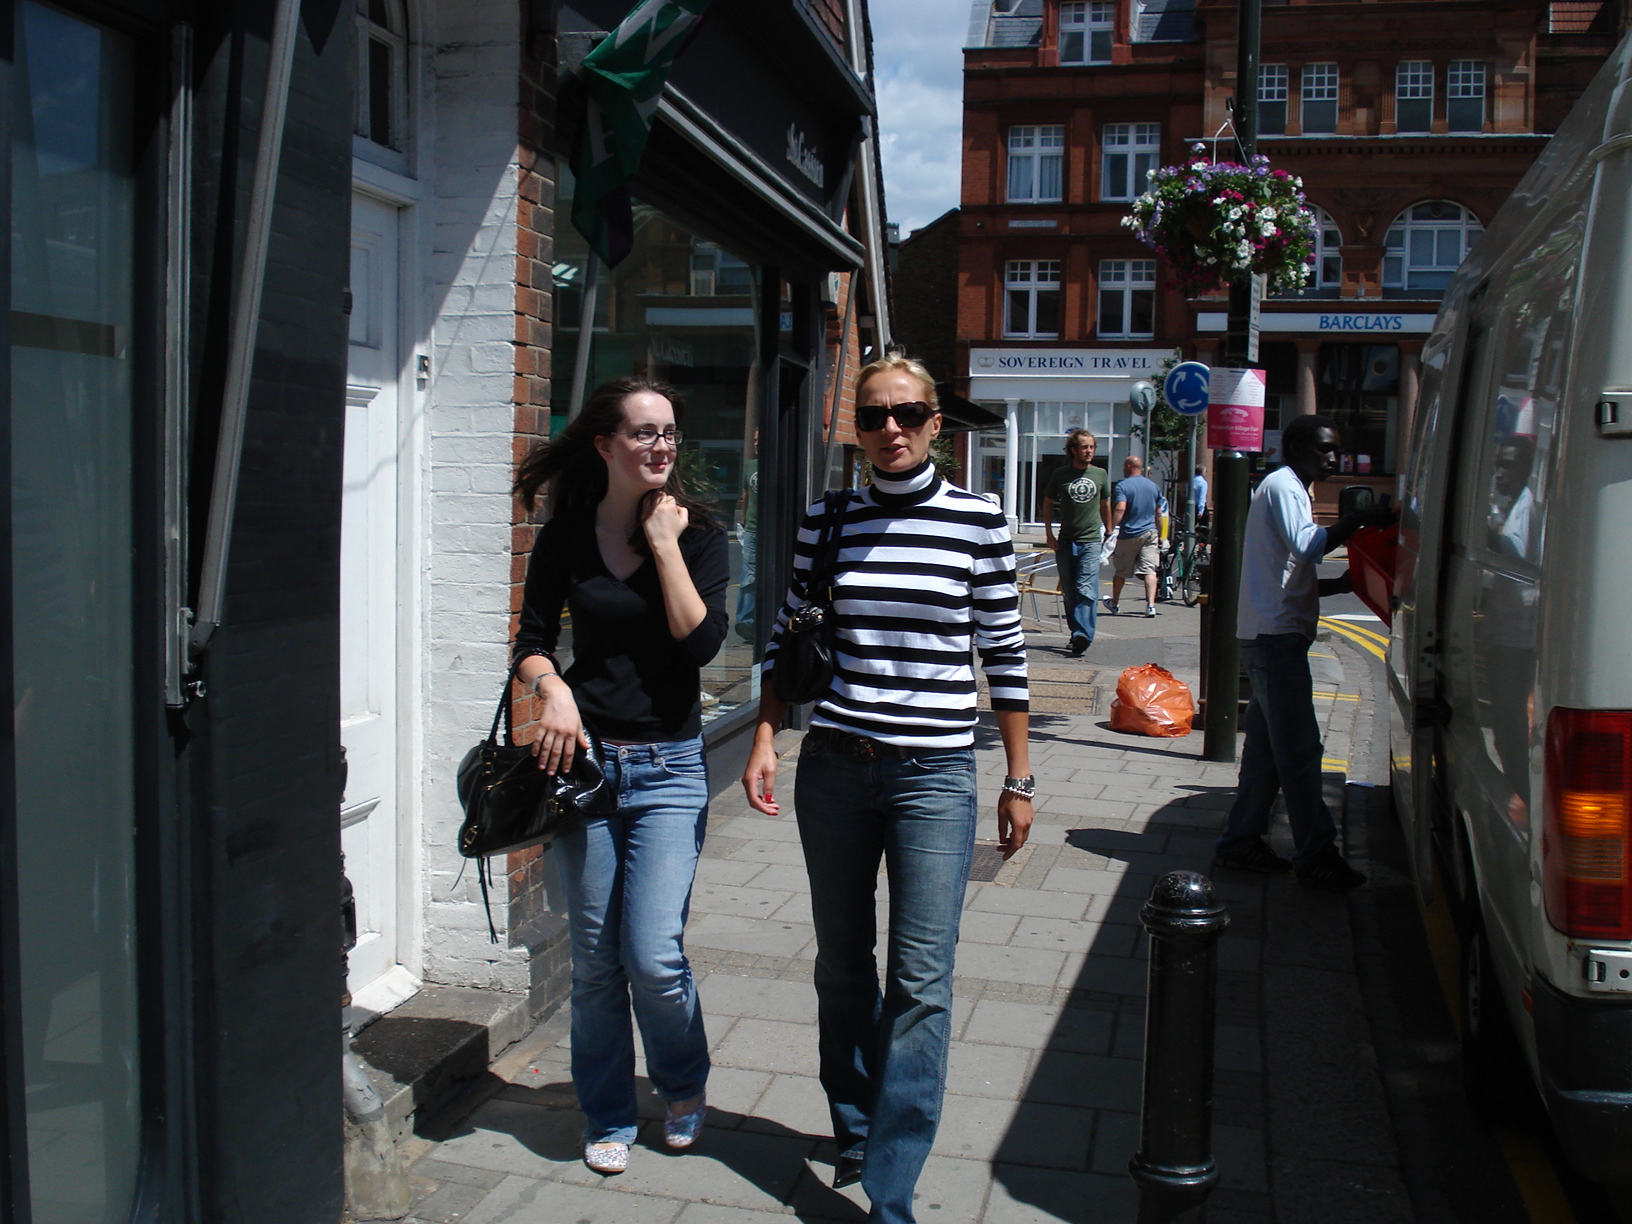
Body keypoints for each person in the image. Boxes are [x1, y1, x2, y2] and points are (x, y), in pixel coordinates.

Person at [741, 356, 1033, 1224]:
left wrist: (1018, 779)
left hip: (935, 774)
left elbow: (1006, 655)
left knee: (921, 979)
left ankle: (892, 1190)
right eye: (873, 417)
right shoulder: (828, 521)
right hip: (833, 765)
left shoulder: (978, 521)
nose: (891, 430)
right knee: (842, 965)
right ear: (855, 429)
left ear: (937, 422)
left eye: (907, 413)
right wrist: (763, 735)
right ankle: (858, 1127)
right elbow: (786, 638)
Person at [511, 377, 729, 1174]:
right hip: (588, 769)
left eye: (670, 432)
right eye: (644, 433)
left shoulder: (699, 534)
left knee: (654, 953)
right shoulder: (565, 536)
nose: (662, 446)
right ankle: (606, 1111)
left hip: (671, 768)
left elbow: (700, 646)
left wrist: (665, 544)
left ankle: (681, 1080)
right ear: (605, 445)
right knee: (597, 957)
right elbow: (531, 640)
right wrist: (554, 687)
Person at [1212, 413, 1394, 889]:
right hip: (1275, 641)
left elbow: (1288, 570)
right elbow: (1309, 546)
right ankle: (1316, 852)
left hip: (1272, 634)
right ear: (1295, 447)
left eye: (1336, 449)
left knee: (1268, 755)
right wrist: (1358, 519)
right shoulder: (1285, 487)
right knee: (1300, 751)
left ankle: (1240, 842)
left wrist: (1341, 586)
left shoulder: (1289, 487)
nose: (1333, 458)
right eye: (1325, 450)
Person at [1041, 428, 1111, 656]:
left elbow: (1105, 503)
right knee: (1070, 591)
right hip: (1065, 541)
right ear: (1073, 450)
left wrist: (1109, 529)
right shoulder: (1061, 475)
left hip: (1090, 541)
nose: (1089, 451)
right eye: (1084, 447)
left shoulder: (1100, 474)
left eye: (1092, 447)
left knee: (1085, 588)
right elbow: (1048, 503)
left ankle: (1083, 634)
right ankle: (1076, 634)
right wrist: (1049, 535)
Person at [1107, 455, 1165, 617]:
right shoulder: (1153, 487)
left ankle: (1115, 603)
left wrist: (1110, 529)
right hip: (1150, 533)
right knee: (1150, 570)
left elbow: (1120, 508)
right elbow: (1159, 513)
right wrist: (1161, 535)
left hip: (1129, 534)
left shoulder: (1122, 486)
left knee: (1121, 571)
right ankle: (1151, 606)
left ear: (1128, 466)